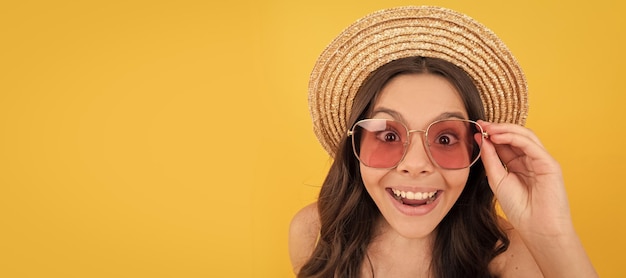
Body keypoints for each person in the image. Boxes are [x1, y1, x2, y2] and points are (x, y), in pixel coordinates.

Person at [289, 6, 597, 278]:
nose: (415, 164)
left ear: (477, 151)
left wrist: (551, 234)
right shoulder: (313, 234)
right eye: (389, 136)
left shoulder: (512, 256)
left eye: (446, 138)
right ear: (355, 147)